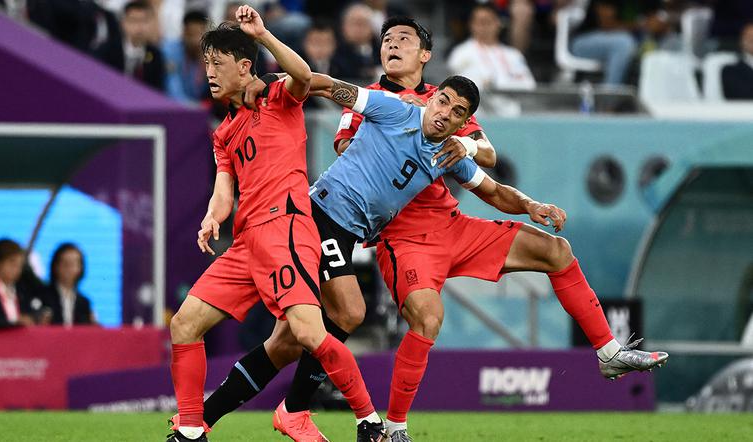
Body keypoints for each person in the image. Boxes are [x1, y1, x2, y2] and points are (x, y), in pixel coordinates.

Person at [203, 24, 669, 442]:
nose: (392, 44)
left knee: (555, 249)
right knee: (353, 318)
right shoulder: (383, 104)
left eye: (403, 39)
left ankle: (607, 350)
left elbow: (487, 162)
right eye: (386, 39)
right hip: (354, 224)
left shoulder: (451, 125)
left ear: (426, 54)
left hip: (447, 225)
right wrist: (291, 81)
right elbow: (341, 125)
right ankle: (360, 422)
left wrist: (528, 202)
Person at [165, 6, 383, 442]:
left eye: (218, 63)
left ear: (245, 66)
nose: (209, 72)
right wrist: (212, 216)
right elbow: (225, 188)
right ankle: (191, 429)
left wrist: (263, 35)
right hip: (246, 241)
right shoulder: (223, 131)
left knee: (307, 331)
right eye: (206, 63)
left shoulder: (280, 97)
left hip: (286, 228)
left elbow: (303, 74)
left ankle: (369, 422)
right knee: (183, 324)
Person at [447, 4, 536, 92]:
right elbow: (460, 88)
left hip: (513, 105)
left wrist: (495, 84)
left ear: (498, 23)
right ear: (471, 25)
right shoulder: (461, 53)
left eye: (488, 22)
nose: (484, 27)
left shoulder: (513, 54)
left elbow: (529, 85)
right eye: (480, 22)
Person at [94, 0, 166, 91]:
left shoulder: (155, 55)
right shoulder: (106, 51)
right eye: (134, 20)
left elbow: (157, 90)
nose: (140, 26)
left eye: (145, 21)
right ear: (123, 23)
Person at [163, 10, 211, 105]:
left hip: (203, 109)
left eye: (200, 35)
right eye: (191, 35)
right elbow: (173, 89)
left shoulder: (212, 55)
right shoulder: (170, 51)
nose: (195, 41)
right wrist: (193, 108)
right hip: (175, 107)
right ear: (183, 32)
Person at [43, 243, 97, 326]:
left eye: (74, 264)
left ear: (80, 268)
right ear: (55, 266)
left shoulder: (84, 302)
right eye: (65, 263)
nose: (69, 268)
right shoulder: (43, 296)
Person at [722, 21, 753, 100]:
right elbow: (740, 95)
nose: (752, 40)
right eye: (749, 37)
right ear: (741, 41)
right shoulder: (730, 70)